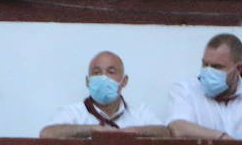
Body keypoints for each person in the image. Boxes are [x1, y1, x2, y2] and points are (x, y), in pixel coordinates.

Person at [40, 50, 168, 138]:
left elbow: (165, 133)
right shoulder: (72, 112)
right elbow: (47, 133)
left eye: (111, 72)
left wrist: (132, 132)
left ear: (124, 81)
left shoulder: (140, 113)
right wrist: (93, 130)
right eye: (96, 72)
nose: (103, 77)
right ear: (87, 81)